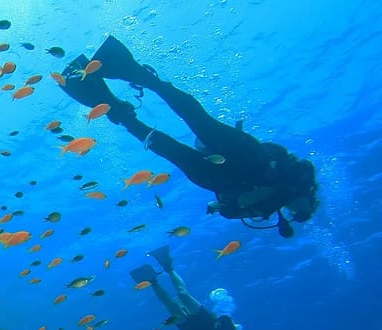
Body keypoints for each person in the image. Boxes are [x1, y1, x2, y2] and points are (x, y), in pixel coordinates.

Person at [59, 36, 319, 238]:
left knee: (167, 148)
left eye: (295, 213)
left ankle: (112, 107)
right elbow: (289, 163)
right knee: (196, 117)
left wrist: (246, 203)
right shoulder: (301, 179)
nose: (296, 209)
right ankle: (137, 74)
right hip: (244, 155)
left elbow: (229, 210)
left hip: (217, 178)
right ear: (310, 200)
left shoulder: (266, 211)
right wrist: (279, 191)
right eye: (303, 208)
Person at [130, 246, 242, 330]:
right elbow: (225, 318)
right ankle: (167, 265)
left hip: (189, 329)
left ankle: (152, 281)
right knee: (183, 295)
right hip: (206, 319)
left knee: (171, 306)